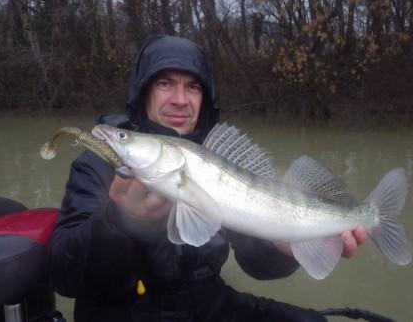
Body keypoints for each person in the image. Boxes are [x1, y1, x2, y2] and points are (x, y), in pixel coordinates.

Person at [46, 35, 366, 322]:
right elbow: (64, 277)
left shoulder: (218, 160)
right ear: (143, 92)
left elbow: (258, 267)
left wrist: (286, 248)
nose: (181, 99)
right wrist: (116, 221)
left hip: (205, 302)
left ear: (205, 97)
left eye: (193, 86)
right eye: (165, 83)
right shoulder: (96, 166)